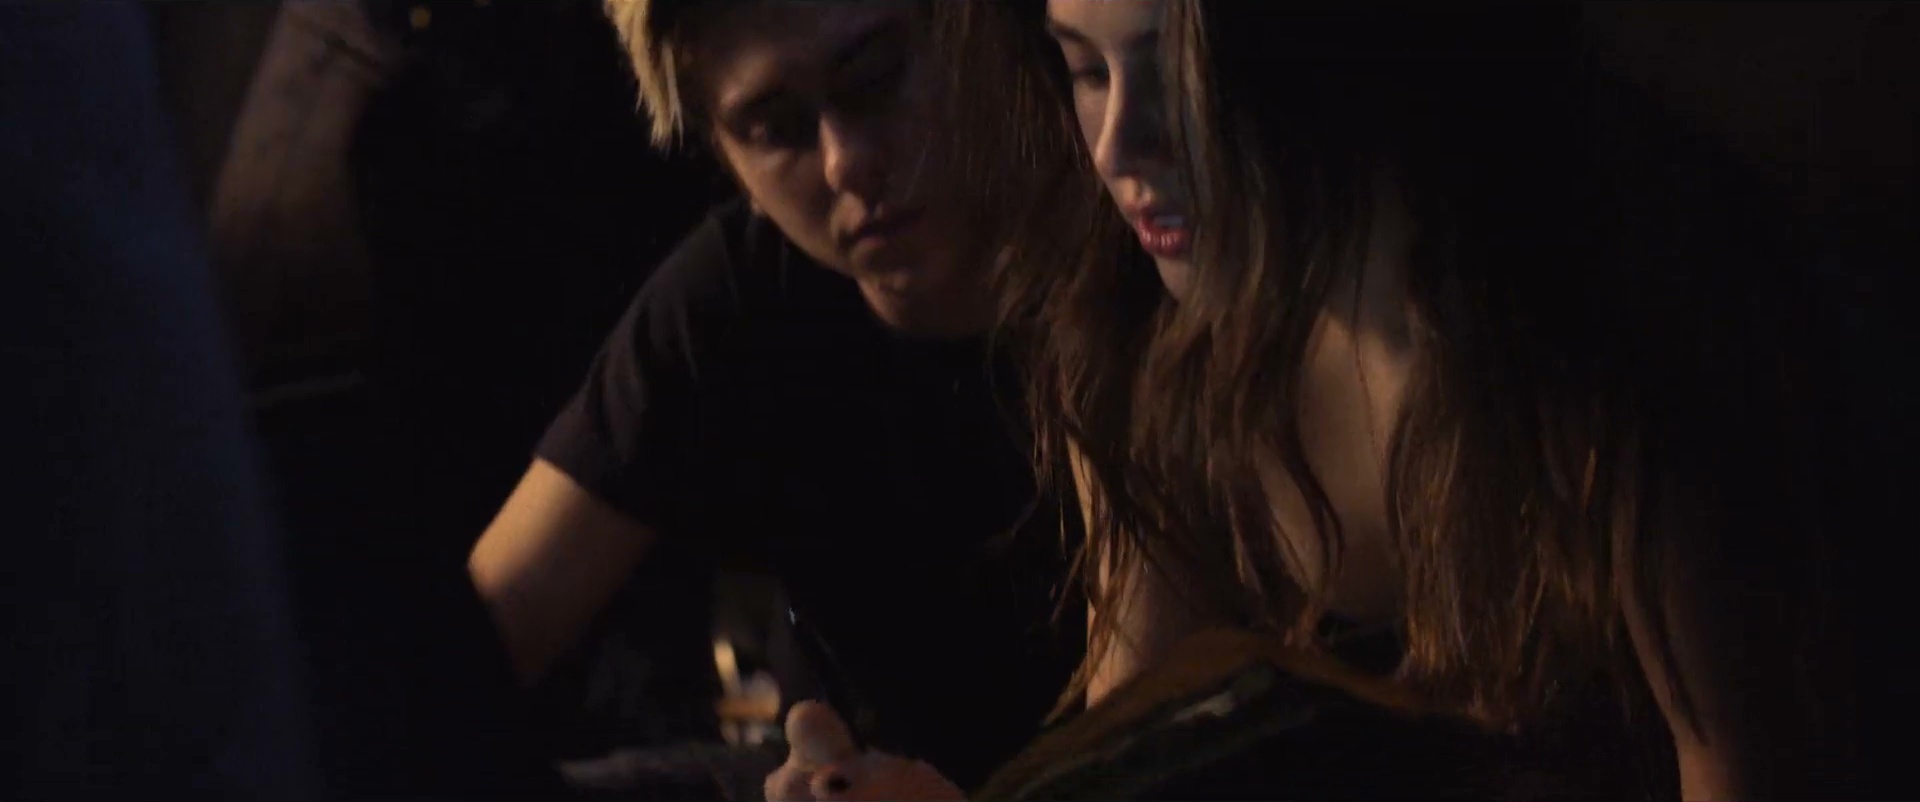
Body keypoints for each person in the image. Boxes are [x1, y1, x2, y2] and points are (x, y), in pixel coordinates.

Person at [778, 2, 1863, 799]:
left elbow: (1756, 773)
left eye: (1179, 69)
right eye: (1086, 70)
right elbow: (1140, 750)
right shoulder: (1141, 336)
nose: (1119, 145)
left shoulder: (1603, 333)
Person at [466, 0, 1082, 793]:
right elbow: (475, 646)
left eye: (876, 79)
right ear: (727, 162)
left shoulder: (1125, 244)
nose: (844, 162)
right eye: (778, 128)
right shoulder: (735, 289)